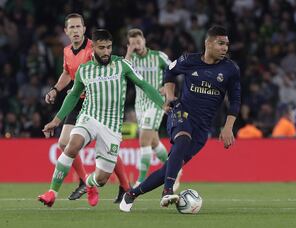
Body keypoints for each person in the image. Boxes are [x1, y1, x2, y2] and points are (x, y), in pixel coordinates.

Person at [119, 25, 241, 212]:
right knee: (182, 139)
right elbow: (170, 71)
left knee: (168, 169)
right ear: (208, 43)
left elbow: (235, 100)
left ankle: (132, 194)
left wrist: (228, 127)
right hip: (181, 113)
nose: (225, 48)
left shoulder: (230, 69)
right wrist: (170, 95)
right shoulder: (188, 60)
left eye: (226, 44)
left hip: (202, 127)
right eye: (220, 43)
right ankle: (167, 191)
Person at [38, 29, 164, 207]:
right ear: (93, 48)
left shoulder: (122, 65)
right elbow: (73, 96)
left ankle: (89, 184)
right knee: (71, 145)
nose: (106, 52)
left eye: (109, 47)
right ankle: (52, 192)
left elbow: (144, 84)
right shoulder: (85, 70)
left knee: (102, 178)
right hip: (89, 117)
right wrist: (56, 121)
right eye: (101, 48)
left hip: (111, 126)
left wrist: (164, 104)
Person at [45, 13, 130, 201]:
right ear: (66, 31)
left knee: (107, 145)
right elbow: (67, 73)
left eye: (78, 27)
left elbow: (110, 65)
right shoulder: (67, 51)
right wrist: (56, 89)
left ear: (84, 29)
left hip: (96, 103)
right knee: (63, 143)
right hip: (77, 101)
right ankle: (86, 182)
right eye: (72, 28)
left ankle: (123, 186)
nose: (75, 31)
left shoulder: (95, 48)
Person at [115, 28, 181, 204]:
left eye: (138, 41)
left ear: (144, 40)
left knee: (144, 139)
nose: (137, 45)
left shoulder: (158, 56)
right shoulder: (131, 59)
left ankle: (140, 181)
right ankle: (174, 169)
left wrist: (166, 89)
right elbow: (121, 73)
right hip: (140, 104)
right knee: (153, 141)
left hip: (157, 102)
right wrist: (128, 52)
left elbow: (174, 70)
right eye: (133, 42)